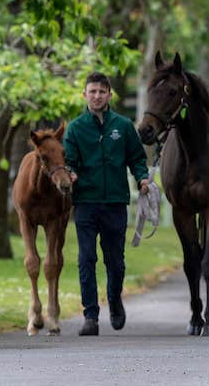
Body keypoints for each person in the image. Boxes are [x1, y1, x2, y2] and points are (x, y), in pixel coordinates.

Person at [63, 72, 150, 336]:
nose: (97, 96)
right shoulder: (75, 128)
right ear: (84, 95)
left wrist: (142, 178)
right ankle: (90, 315)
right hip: (86, 203)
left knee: (116, 262)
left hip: (115, 202)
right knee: (86, 258)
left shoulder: (122, 126)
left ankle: (114, 300)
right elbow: (68, 161)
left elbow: (137, 158)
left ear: (109, 94)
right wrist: (71, 173)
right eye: (92, 91)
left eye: (102, 91)